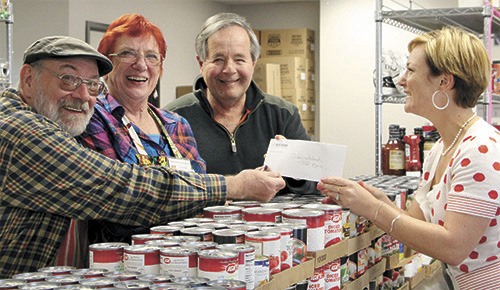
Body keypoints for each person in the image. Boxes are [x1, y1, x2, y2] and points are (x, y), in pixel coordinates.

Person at [0, 35, 285, 278]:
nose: (83, 95)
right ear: (27, 79)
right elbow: (121, 187)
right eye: (69, 79)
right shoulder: (20, 131)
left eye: (92, 84)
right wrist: (235, 186)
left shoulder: (58, 125)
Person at [318, 26, 500, 289]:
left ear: (444, 82)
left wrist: (373, 209)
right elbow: (416, 224)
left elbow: (453, 247)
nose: (401, 80)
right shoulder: (442, 148)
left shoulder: (480, 149)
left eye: (411, 71)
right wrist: (372, 199)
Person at [76, 14, 206, 246]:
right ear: (106, 64)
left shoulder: (176, 124)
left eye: (151, 56)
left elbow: (203, 193)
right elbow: (121, 202)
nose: (141, 64)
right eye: (127, 53)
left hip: (185, 254)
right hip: (121, 259)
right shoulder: (93, 117)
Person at [165, 12, 317, 195]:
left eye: (239, 59)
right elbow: (166, 190)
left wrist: (294, 169)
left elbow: (317, 186)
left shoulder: (283, 114)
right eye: (218, 59)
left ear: (253, 63)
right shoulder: (172, 118)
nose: (229, 69)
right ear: (201, 63)